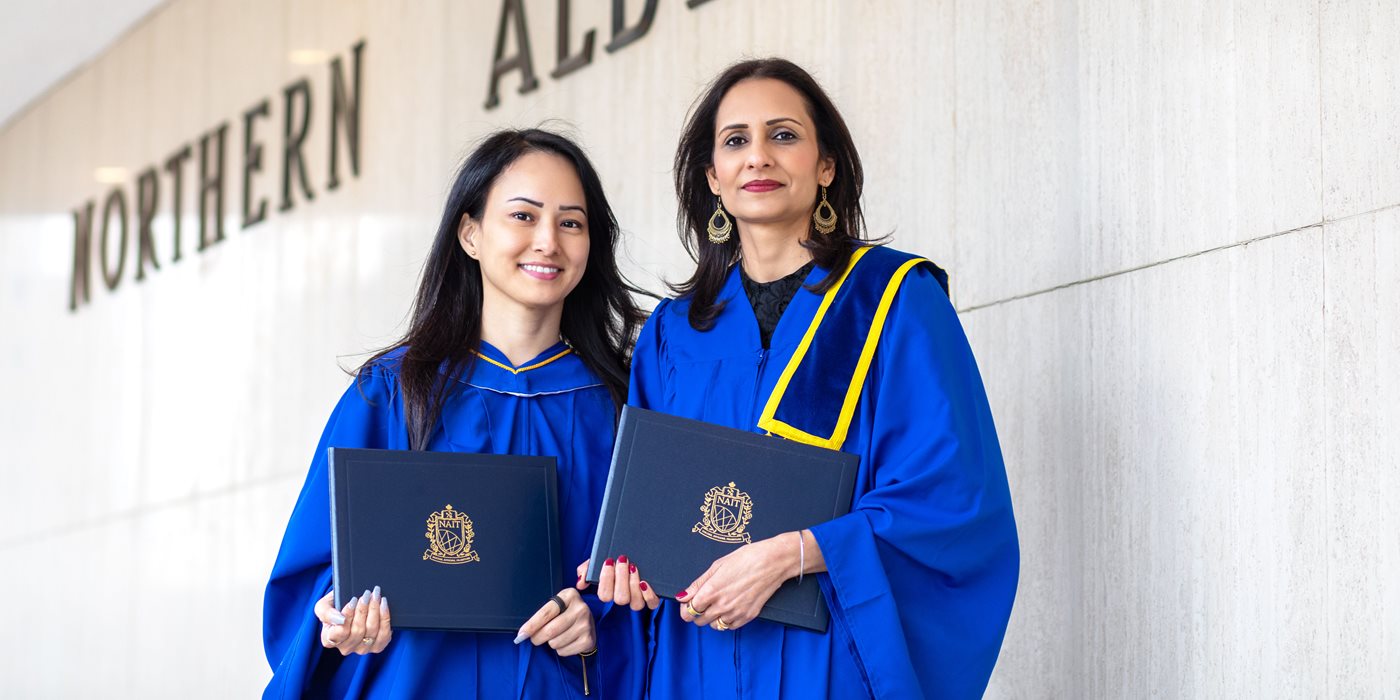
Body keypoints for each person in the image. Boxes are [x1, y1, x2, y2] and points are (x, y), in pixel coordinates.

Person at [621, 59, 1020, 699]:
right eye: (735, 141)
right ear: (713, 178)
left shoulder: (892, 302)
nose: (758, 157)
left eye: (783, 136)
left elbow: (951, 497)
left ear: (825, 165)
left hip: (832, 654)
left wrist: (796, 552)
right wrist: (624, 570)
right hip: (696, 657)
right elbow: (646, 511)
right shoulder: (672, 334)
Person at [261, 128, 649, 698]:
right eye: (523, 216)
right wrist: (341, 619)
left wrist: (594, 626)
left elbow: (655, 587)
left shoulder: (619, 407)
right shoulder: (394, 391)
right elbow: (312, 574)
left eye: (571, 222)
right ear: (470, 233)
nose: (548, 241)